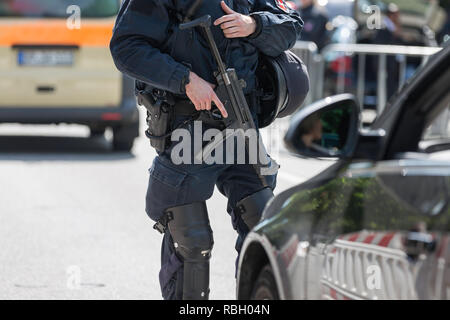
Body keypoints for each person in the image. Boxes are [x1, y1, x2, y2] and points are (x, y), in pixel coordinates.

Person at [110, 0, 303, 300]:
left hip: (242, 122)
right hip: (189, 125)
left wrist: (255, 26)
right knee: (192, 241)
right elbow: (126, 48)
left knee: (265, 228)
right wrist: (185, 81)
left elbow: (291, 24)